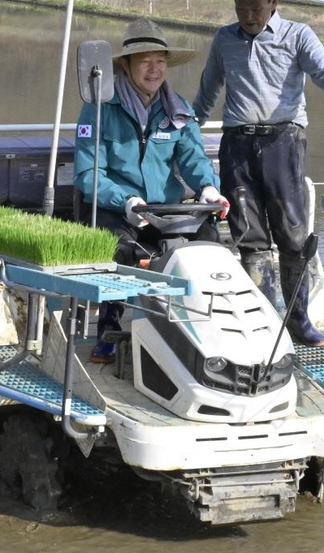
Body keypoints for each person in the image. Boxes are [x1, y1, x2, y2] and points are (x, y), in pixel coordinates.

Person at [192, 0, 324, 347]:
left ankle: (297, 319)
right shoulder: (224, 40)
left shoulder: (298, 35)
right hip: (236, 143)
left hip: (283, 141)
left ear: (274, 2)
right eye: (242, 9)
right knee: (248, 233)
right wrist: (189, 123)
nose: (249, 16)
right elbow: (209, 86)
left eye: (256, 8)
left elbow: (323, 71)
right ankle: (266, 319)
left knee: (293, 234)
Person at [74, 18, 230, 363]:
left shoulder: (179, 109)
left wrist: (207, 188)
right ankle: (108, 327)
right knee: (120, 248)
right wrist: (125, 200)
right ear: (126, 65)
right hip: (118, 209)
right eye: (144, 61)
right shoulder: (99, 108)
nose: (154, 69)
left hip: (169, 212)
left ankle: (206, 329)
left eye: (160, 60)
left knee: (210, 242)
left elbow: (193, 158)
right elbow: (87, 174)